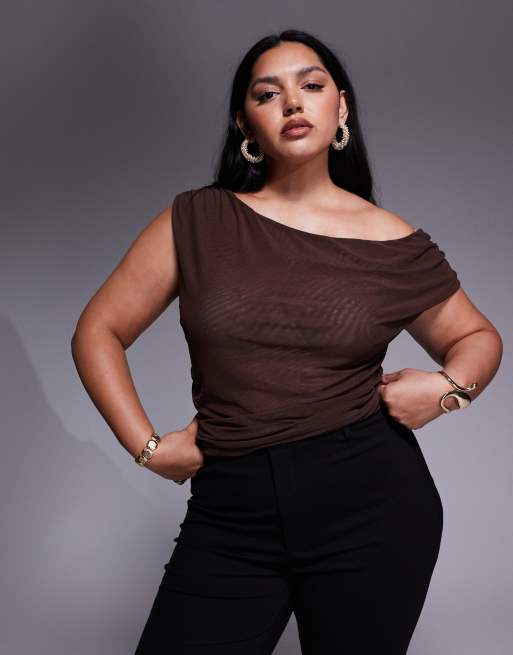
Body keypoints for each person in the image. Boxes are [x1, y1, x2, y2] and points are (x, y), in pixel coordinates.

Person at [71, 29, 502, 655]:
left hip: (371, 506)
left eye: (312, 85)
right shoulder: (197, 220)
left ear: (341, 107)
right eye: (267, 94)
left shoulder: (390, 239)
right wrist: (149, 448)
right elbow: (98, 331)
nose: (293, 103)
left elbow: (478, 336)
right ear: (244, 122)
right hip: (231, 511)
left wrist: (448, 391)